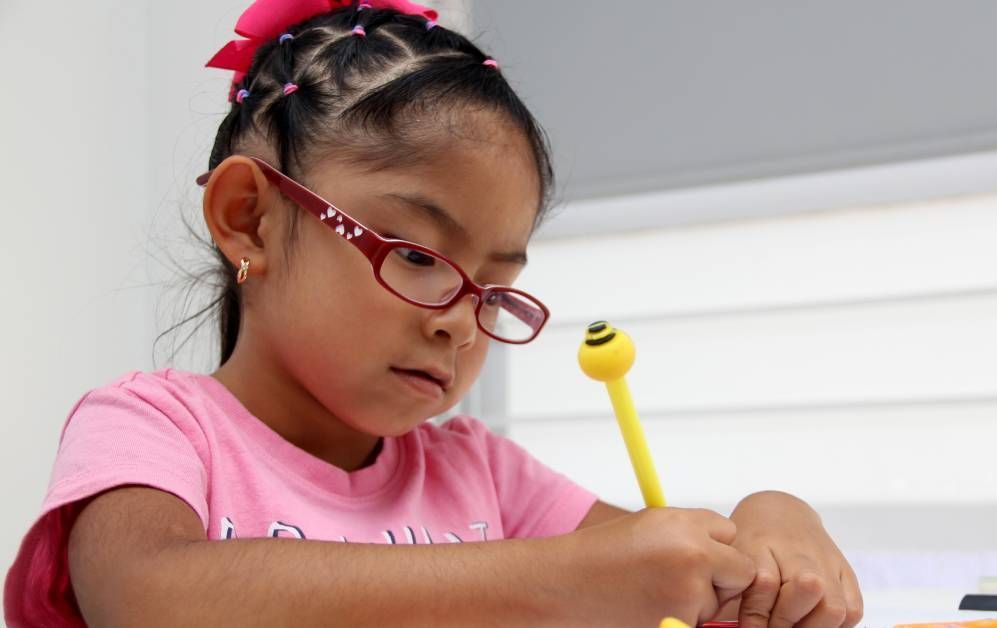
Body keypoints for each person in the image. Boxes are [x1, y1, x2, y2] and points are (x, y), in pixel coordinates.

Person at [5, 1, 862, 625]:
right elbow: (148, 598)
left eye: (491, 290)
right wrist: (560, 579)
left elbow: (662, 568)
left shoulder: (481, 473)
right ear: (250, 219)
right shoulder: (153, 428)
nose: (459, 322)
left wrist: (774, 520)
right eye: (417, 255)